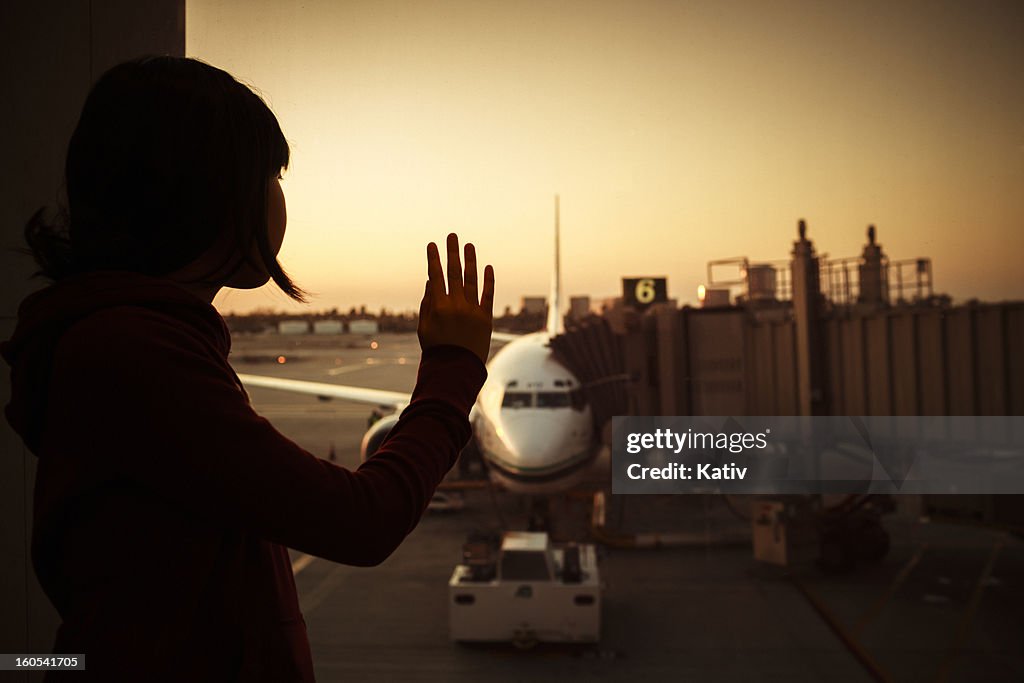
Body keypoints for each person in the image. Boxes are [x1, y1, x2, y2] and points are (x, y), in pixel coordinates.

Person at [1, 55, 494, 681]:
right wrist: (452, 374)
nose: (280, 200)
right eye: (268, 175)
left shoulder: (126, 342)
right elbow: (361, 522)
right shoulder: (132, 354)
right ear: (201, 192)